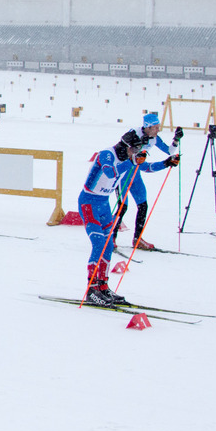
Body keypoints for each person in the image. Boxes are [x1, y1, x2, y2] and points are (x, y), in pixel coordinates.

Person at [79, 130, 178, 306]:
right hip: (89, 203)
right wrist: (132, 161)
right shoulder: (107, 155)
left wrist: (166, 162)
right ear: (126, 148)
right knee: (98, 244)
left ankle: (102, 286)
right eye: (134, 151)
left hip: (103, 204)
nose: (136, 154)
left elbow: (146, 167)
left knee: (108, 245)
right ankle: (91, 289)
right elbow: (110, 173)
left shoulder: (129, 158)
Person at [112, 113, 183, 250]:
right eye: (156, 127)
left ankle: (137, 239)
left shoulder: (154, 138)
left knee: (143, 206)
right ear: (148, 127)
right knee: (122, 208)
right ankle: (112, 238)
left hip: (135, 173)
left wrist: (176, 140)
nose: (158, 130)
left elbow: (169, 151)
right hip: (123, 175)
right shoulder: (134, 134)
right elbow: (121, 150)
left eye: (158, 127)